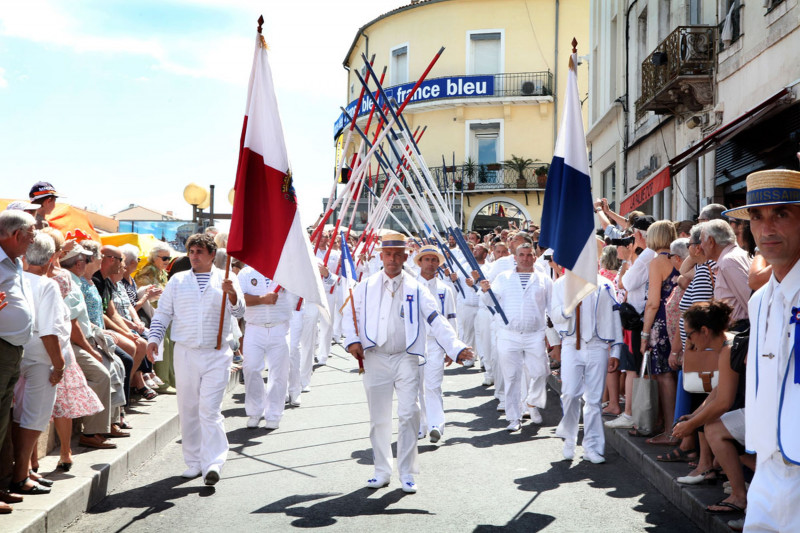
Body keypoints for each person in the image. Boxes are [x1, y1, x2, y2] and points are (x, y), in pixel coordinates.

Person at [343, 232, 473, 493]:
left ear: (405, 258)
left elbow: (436, 318)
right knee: (379, 419)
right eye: (387, 255)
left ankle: (407, 473)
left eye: (397, 255)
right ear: (381, 256)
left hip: (407, 358)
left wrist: (455, 347)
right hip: (375, 357)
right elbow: (350, 315)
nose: (392, 260)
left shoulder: (417, 287)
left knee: (409, 414)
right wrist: (352, 340)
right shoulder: (365, 286)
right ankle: (381, 471)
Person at [724, 169, 800, 531]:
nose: (767, 228)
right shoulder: (759, 301)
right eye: (757, 216)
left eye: (781, 214)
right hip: (767, 467)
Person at [147, 233, 244, 486]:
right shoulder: (177, 280)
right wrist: (153, 340)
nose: (194, 256)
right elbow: (163, 313)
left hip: (217, 353)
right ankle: (194, 462)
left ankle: (214, 462)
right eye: (191, 252)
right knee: (188, 408)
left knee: (209, 410)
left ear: (212, 255)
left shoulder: (228, 278)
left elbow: (239, 311)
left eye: (200, 252)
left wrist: (232, 294)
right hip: (186, 352)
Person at [11, 233, 65, 495]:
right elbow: (48, 331)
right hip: (39, 357)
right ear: (52, 257)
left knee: (19, 416)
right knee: (34, 418)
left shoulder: (18, 277)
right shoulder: (47, 284)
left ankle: (24, 471)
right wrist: (60, 364)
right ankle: (21, 475)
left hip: (18, 354)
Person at [551, 271, 623, 463]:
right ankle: (569, 438)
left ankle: (592, 447)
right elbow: (554, 315)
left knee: (594, 400)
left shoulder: (606, 284)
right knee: (570, 393)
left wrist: (615, 350)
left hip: (598, 345)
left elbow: (615, 317)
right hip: (571, 344)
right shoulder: (561, 283)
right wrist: (570, 305)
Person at [479, 243, 552, 432]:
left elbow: (551, 308)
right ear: (516, 257)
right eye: (522, 255)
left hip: (535, 334)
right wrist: (485, 290)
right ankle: (513, 416)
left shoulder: (544, 279)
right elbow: (489, 301)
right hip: (508, 334)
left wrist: (554, 338)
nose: (525, 258)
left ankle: (532, 404)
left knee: (540, 373)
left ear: (534, 257)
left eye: (529, 255)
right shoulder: (503, 278)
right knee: (511, 377)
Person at [0, 210, 36, 512]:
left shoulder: (15, 262)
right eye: (32, 232)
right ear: (16, 235)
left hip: (12, 350)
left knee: (2, 422)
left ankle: (1, 486)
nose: (34, 238)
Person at [238, 264, 298, 430]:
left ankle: (274, 413)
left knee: (279, 372)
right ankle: (255, 411)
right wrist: (262, 300)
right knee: (251, 369)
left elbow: (301, 291)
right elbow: (239, 299)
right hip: (254, 327)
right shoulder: (245, 273)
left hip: (280, 327)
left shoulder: (285, 271)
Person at [639, 221, 680, 444]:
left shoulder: (657, 262)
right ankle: (670, 427)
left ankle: (669, 431)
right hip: (679, 322)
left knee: (664, 375)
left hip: (662, 323)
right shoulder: (679, 258)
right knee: (673, 375)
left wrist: (644, 335)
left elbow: (653, 303)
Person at [414, 245, 458, 443]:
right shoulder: (410, 286)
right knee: (416, 387)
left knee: (433, 385)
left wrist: (452, 347)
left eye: (434, 260)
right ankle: (421, 425)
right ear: (420, 262)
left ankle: (436, 425)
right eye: (427, 260)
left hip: (436, 344)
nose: (431, 264)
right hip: (414, 344)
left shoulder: (445, 289)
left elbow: (451, 319)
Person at [699, 219, 752, 332]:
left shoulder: (728, 261)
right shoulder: (733, 256)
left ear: (711, 241)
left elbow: (750, 301)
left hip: (740, 330)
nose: (700, 246)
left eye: (701, 241)